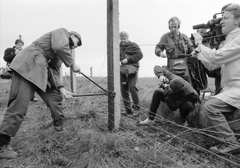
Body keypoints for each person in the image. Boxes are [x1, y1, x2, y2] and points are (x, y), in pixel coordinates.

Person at [0, 28, 82, 159]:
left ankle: (59, 129)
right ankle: (2, 144)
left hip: (41, 72)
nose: (73, 47)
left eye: (74, 47)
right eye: (72, 43)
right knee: (19, 105)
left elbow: (54, 70)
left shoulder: (58, 55)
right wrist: (72, 64)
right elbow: (60, 46)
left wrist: (61, 88)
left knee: (55, 97)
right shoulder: (62, 33)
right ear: (70, 35)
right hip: (28, 64)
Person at [191, 3, 240, 154]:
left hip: (237, 88)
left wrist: (199, 44)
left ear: (237, 20)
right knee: (226, 116)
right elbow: (213, 65)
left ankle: (231, 143)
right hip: (231, 88)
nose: (221, 22)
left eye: (225, 18)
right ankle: (233, 139)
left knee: (210, 107)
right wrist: (200, 51)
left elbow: (217, 57)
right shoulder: (229, 39)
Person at [155, 16, 194, 84]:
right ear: (169, 27)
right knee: (173, 86)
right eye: (171, 27)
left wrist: (193, 52)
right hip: (172, 68)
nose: (173, 29)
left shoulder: (185, 37)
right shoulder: (165, 37)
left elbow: (191, 49)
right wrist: (160, 53)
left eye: (175, 27)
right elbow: (157, 48)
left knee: (189, 86)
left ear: (178, 26)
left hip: (184, 67)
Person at [119, 31, 143, 116]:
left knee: (132, 87)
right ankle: (128, 111)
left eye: (124, 38)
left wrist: (128, 60)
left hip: (133, 70)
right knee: (123, 90)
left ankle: (136, 109)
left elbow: (140, 55)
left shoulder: (134, 45)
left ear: (128, 37)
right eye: (121, 38)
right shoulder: (118, 46)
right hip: (122, 71)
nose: (123, 40)